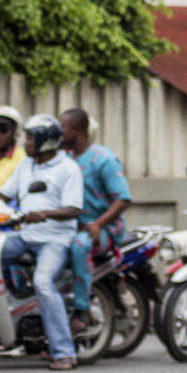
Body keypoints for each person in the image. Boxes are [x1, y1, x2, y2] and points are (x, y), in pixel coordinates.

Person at [0, 114, 83, 371]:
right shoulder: (26, 165)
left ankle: (64, 352)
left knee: (43, 284)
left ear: (46, 140)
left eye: (31, 137)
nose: (26, 142)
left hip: (55, 240)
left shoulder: (68, 169)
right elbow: (4, 194)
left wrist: (44, 214)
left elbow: (73, 209)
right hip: (24, 236)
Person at [60, 108, 131, 334]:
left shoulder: (104, 159)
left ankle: (82, 310)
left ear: (78, 130)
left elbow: (122, 199)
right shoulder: (62, 159)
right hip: (69, 226)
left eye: (63, 127)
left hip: (103, 230)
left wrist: (98, 224)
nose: (58, 132)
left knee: (80, 246)